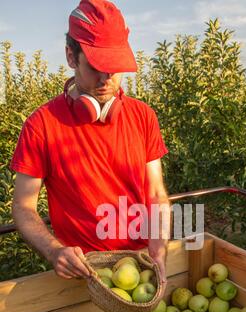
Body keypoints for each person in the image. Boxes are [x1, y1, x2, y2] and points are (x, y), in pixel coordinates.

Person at [10, 0, 170, 283]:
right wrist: (54, 250)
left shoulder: (143, 116)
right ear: (71, 57)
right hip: (86, 275)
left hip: (140, 268)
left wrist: (158, 246)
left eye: (116, 67)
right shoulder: (41, 125)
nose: (107, 78)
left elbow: (156, 193)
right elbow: (23, 207)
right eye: (97, 66)